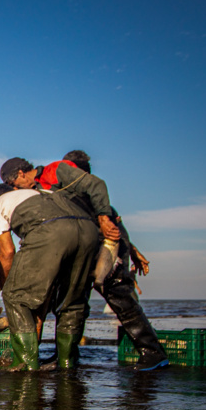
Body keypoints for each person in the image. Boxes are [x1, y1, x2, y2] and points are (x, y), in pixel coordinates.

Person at [56, 152, 168, 370]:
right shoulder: (73, 196)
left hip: (106, 255)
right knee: (75, 304)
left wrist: (130, 252)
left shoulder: (89, 198)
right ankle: (68, 355)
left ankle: (153, 352)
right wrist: (134, 250)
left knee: (120, 299)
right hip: (87, 254)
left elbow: (113, 229)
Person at [0, 181, 99, 370]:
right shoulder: (39, 193)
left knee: (15, 297)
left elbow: (7, 252)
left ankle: (26, 365)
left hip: (52, 229)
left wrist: (6, 283)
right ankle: (67, 363)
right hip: (88, 229)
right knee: (72, 301)